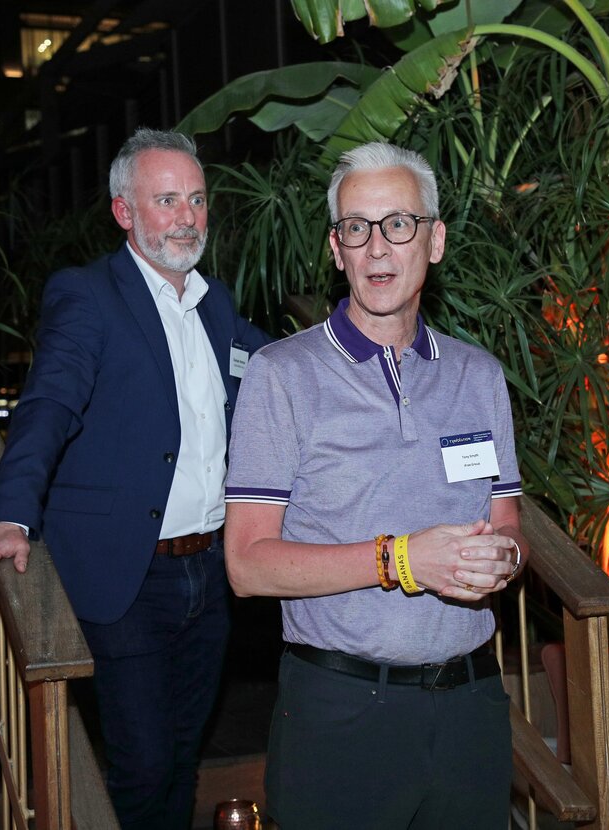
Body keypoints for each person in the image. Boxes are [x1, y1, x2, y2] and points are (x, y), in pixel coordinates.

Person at [0, 127, 272, 830]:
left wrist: (365, 335)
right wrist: (8, 511)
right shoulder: (88, 295)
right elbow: (49, 404)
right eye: (167, 200)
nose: (188, 216)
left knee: (184, 756)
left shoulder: (216, 303)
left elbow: (279, 368)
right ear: (124, 212)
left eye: (197, 199)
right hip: (130, 577)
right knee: (143, 765)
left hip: (212, 572)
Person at [223, 142, 528, 829]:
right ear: (337, 249)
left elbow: (509, 524)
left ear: (435, 240)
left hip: (470, 706)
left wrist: (504, 557)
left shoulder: (478, 376)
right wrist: (402, 560)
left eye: (398, 224)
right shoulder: (282, 374)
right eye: (356, 228)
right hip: (342, 711)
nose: (378, 247)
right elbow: (246, 565)